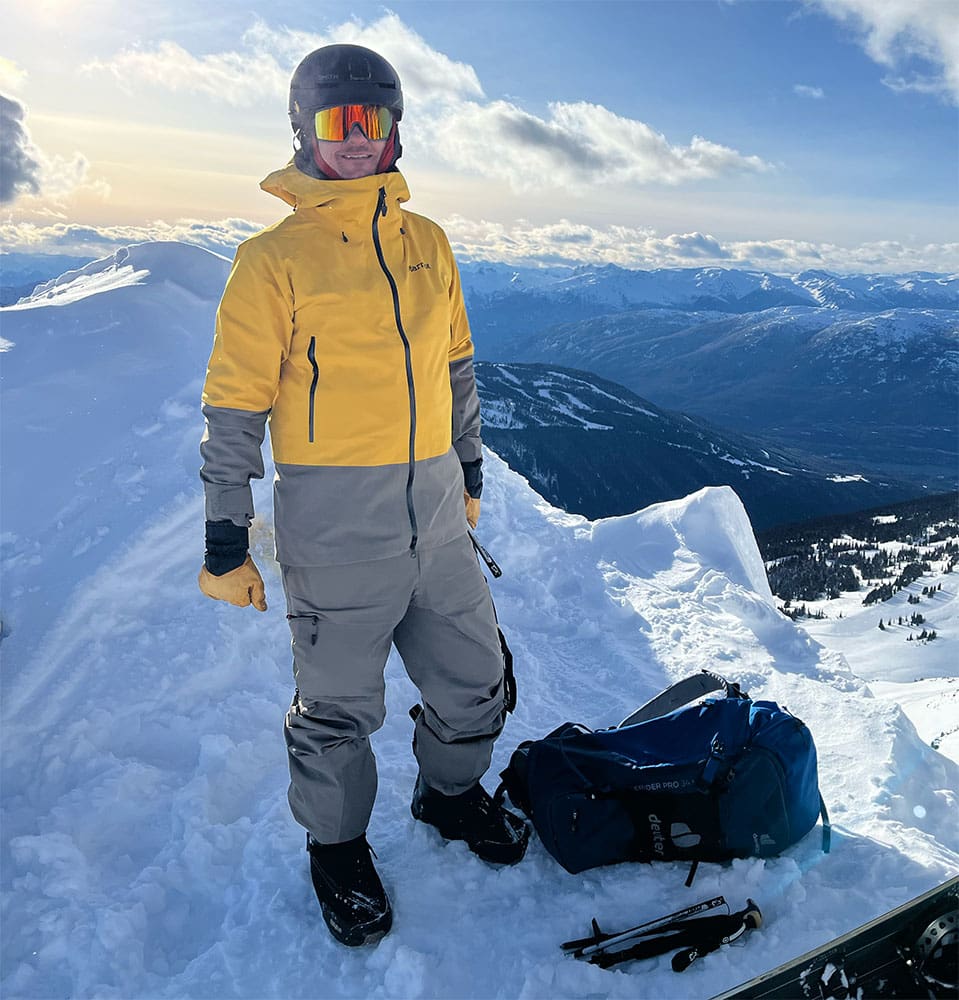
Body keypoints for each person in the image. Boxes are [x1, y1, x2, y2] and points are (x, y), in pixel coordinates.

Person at [196, 43, 528, 947]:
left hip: (434, 519)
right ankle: (336, 849)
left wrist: (466, 469)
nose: (355, 140)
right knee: (339, 709)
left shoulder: (428, 244)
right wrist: (226, 534)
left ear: (393, 131)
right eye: (337, 122)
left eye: (371, 121)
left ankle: (449, 796)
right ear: (302, 129)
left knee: (474, 682)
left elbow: (456, 365)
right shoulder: (272, 259)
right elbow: (234, 405)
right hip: (335, 529)